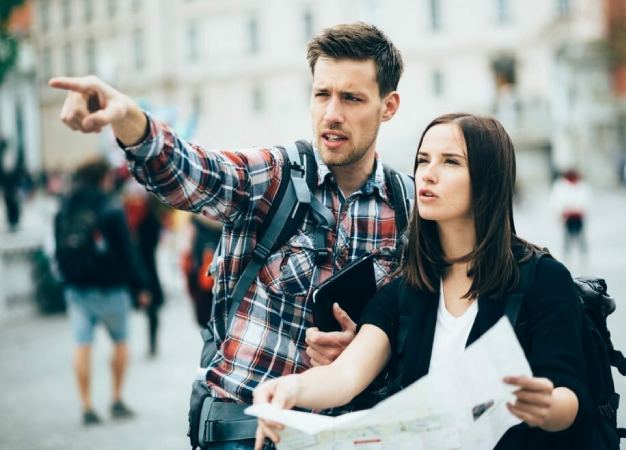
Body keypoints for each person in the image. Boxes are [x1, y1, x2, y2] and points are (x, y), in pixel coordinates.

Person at [50, 22, 406, 448]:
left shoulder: (404, 209)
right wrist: (131, 120)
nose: (332, 113)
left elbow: (418, 329)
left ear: (388, 106)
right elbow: (194, 172)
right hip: (242, 429)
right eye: (321, 94)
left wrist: (364, 350)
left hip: (342, 435)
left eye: (351, 98)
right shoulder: (276, 175)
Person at [254, 114, 595, 450]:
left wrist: (545, 404)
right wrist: (290, 389)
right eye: (423, 160)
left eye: (450, 162)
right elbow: (346, 375)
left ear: (488, 178)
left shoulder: (543, 280)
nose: (427, 174)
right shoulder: (408, 289)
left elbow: (570, 397)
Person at [54, 158, 151, 425]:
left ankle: (86, 405)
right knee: (120, 341)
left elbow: (57, 249)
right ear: (103, 178)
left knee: (82, 344)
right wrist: (141, 286)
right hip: (111, 288)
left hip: (77, 289)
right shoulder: (111, 208)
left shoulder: (65, 207)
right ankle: (116, 399)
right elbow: (128, 251)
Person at [123, 179, 166, 357]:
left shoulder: (150, 216)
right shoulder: (124, 214)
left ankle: (152, 343)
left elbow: (153, 241)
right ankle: (122, 346)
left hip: (147, 268)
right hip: (128, 269)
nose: (136, 199)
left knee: (152, 309)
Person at [549, 169, 591, 257]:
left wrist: (582, 210)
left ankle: (582, 251)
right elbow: (556, 201)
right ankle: (567, 251)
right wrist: (561, 211)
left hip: (578, 216)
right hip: (567, 216)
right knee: (566, 234)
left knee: (580, 233)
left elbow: (587, 200)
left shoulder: (582, 185)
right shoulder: (560, 186)